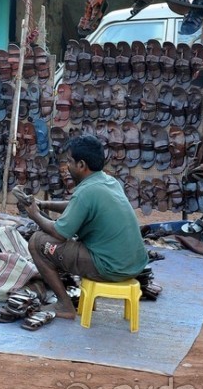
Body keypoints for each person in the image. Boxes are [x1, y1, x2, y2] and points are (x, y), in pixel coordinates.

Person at [22, 135, 148, 320]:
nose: (67, 167)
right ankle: (79, 297)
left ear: (81, 165)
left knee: (37, 242)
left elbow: (59, 232)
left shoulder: (86, 192)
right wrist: (44, 204)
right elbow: (77, 205)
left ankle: (64, 305)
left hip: (110, 267)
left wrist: (35, 215)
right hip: (133, 264)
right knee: (71, 240)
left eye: (70, 162)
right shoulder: (108, 181)